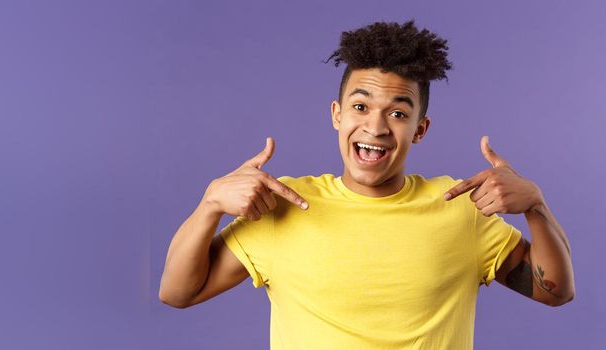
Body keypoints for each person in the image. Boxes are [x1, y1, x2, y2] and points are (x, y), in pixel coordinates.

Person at [158, 20, 575, 349]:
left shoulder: (461, 207)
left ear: (420, 129)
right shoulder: (283, 204)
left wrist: (535, 207)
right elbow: (178, 292)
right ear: (337, 115)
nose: (374, 127)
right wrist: (210, 203)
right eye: (360, 107)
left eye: (397, 113)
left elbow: (553, 292)